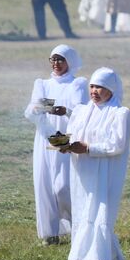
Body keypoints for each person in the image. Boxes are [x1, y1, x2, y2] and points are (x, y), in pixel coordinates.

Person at [58, 67, 130, 260]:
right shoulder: (81, 111)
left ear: (111, 90)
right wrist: (65, 146)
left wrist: (89, 148)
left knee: (99, 216)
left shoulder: (121, 113)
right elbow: (73, 137)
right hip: (82, 173)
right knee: (84, 215)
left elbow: (117, 145)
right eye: (92, 86)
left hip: (105, 173)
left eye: (100, 87)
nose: (95, 91)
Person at [24, 44, 88, 245]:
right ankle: (49, 233)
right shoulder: (42, 83)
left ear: (69, 61)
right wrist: (38, 109)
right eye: (53, 59)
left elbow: (84, 111)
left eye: (60, 60)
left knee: (63, 186)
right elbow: (29, 111)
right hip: (45, 137)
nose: (56, 64)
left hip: (66, 138)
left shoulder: (78, 84)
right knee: (45, 185)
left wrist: (66, 111)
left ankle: (77, 225)